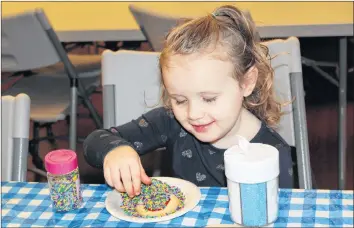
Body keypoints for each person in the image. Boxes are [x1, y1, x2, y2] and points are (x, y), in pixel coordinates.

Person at [83, 5, 294, 198]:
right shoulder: (170, 122)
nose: (193, 113)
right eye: (180, 100)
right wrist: (116, 150)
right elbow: (95, 141)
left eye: (209, 98)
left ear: (247, 83)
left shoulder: (272, 152)